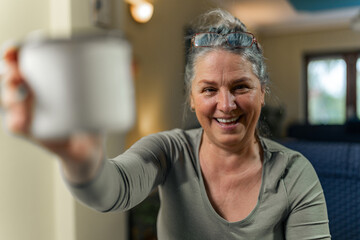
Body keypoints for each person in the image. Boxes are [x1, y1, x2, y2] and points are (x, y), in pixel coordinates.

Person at [0, 9, 330, 239]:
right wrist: (79, 158)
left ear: (262, 92)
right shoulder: (168, 151)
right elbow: (110, 191)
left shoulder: (295, 174)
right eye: (209, 90)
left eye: (241, 87)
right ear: (191, 97)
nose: (226, 105)